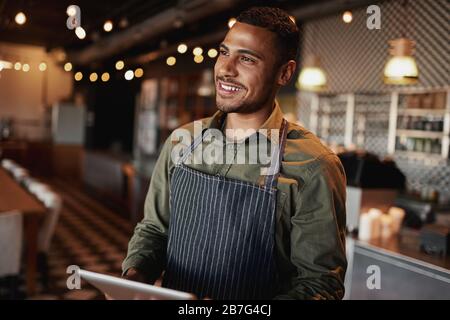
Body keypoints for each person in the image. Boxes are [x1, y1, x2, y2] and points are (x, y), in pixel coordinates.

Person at [122, 6, 347, 300]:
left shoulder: (314, 166)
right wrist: (133, 279)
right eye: (224, 52)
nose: (226, 69)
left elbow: (320, 286)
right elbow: (154, 230)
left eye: (247, 59)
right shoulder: (182, 143)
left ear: (285, 73)